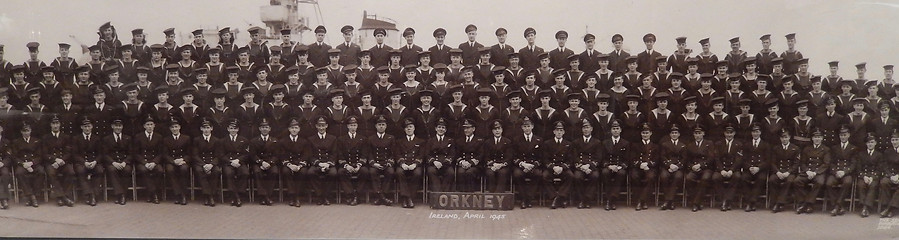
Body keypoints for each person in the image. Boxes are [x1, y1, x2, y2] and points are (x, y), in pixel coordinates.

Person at [42, 116, 75, 207]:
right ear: (50, 125)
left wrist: (62, 160)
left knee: (70, 172)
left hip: (63, 162)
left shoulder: (66, 137)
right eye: (53, 124)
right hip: (51, 162)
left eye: (57, 123)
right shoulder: (45, 137)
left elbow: (69, 152)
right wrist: (55, 160)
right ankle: (63, 198)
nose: (55, 126)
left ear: (60, 124)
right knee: (51, 173)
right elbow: (44, 154)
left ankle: (62, 196)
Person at [336, 116, 368, 206]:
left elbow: (364, 154)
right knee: (341, 172)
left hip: (358, 164)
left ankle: (357, 195)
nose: (353, 127)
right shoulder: (341, 139)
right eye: (351, 125)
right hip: (347, 164)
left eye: (354, 125)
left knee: (365, 171)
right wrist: (346, 165)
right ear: (347, 126)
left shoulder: (363, 139)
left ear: (357, 126)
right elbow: (340, 155)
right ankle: (350, 195)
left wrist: (359, 165)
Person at [133, 116, 164, 204]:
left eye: (151, 124)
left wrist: (154, 162)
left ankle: (150, 193)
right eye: (148, 125)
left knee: (160, 170)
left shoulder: (159, 137)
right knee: (143, 170)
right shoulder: (138, 136)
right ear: (144, 126)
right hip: (143, 162)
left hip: (154, 161)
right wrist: (144, 163)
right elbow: (136, 153)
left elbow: (161, 153)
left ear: (154, 125)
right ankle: (154, 194)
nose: (150, 126)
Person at [308, 116, 338, 205]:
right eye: (319, 126)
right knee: (310, 173)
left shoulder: (333, 138)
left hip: (329, 164)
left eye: (323, 125)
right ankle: (319, 195)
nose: (321, 128)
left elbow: (334, 153)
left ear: (327, 126)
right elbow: (310, 155)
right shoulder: (311, 139)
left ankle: (326, 196)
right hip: (317, 163)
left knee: (333, 173)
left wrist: (328, 164)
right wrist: (319, 164)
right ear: (316, 126)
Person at [769, 129, 801, 213]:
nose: (784, 139)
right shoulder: (776, 148)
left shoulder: (795, 148)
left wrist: (788, 172)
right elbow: (772, 162)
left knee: (789, 181)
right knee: (772, 179)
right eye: (782, 137)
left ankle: (779, 203)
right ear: (780, 138)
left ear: (789, 137)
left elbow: (796, 164)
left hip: (789, 172)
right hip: (779, 171)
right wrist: (777, 172)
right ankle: (775, 202)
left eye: (786, 137)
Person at [712, 125, 743, 211]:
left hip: (733, 169)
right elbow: (716, 158)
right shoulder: (718, 144)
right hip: (721, 168)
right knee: (715, 177)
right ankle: (725, 200)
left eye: (731, 133)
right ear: (724, 133)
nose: (729, 135)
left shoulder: (739, 144)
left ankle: (726, 201)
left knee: (737, 177)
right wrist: (721, 170)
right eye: (727, 133)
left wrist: (731, 170)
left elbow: (738, 160)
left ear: (734, 133)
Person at [544, 121, 573, 209]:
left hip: (563, 167)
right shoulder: (547, 143)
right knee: (544, 176)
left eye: (561, 130)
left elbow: (570, 159)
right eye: (557, 130)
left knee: (570, 176)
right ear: (554, 132)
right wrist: (553, 167)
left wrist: (562, 167)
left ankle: (559, 197)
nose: (559, 132)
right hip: (552, 168)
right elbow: (545, 159)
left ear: (564, 132)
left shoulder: (568, 144)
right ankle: (555, 197)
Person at [72, 118, 102, 206]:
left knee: (99, 170)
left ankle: (93, 195)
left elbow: (100, 154)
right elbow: (75, 154)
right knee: (81, 171)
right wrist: (84, 162)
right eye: (85, 126)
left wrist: (95, 161)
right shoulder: (76, 138)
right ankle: (89, 195)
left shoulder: (97, 138)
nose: (87, 129)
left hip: (94, 162)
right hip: (82, 162)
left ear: (92, 127)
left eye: (89, 126)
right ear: (81, 127)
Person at [191, 119, 221, 207]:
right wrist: (204, 165)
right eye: (204, 128)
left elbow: (218, 155)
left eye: (208, 128)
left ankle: (210, 195)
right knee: (200, 171)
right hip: (201, 163)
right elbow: (195, 155)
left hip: (212, 163)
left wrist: (211, 164)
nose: (206, 130)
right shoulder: (197, 140)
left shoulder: (216, 140)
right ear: (201, 129)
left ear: (211, 128)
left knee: (216, 171)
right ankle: (208, 195)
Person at [368, 115, 396, 206]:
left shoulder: (391, 138)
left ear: (386, 126)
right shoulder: (371, 138)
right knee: (372, 172)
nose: (381, 126)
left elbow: (393, 153)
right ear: (376, 126)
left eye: (383, 124)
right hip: (375, 163)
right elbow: (369, 153)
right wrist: (373, 163)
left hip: (386, 163)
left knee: (390, 172)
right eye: (379, 124)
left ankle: (382, 195)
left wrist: (389, 162)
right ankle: (381, 196)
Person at [103, 119, 132, 205]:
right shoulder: (107, 139)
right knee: (112, 170)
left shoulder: (127, 138)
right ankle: (120, 194)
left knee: (127, 170)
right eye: (116, 126)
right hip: (113, 162)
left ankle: (122, 195)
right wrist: (113, 162)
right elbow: (105, 154)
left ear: (122, 127)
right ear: (112, 126)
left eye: (119, 126)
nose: (118, 128)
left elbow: (131, 154)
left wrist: (125, 162)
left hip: (124, 162)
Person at [686, 125, 715, 212]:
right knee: (688, 178)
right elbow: (687, 159)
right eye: (696, 133)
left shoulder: (709, 143)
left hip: (706, 168)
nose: (698, 135)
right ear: (693, 134)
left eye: (699, 133)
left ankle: (695, 203)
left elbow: (711, 158)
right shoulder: (690, 144)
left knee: (705, 178)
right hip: (694, 168)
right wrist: (692, 166)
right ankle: (698, 201)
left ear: (703, 133)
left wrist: (701, 165)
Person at [221, 119, 250, 207]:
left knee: (245, 173)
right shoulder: (223, 140)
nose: (233, 130)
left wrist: (238, 160)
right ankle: (236, 197)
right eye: (231, 128)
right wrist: (230, 161)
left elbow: (246, 154)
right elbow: (221, 155)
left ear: (238, 129)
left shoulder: (243, 140)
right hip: (228, 163)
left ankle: (238, 194)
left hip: (239, 162)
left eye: (235, 128)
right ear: (228, 129)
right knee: (229, 173)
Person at [741, 124, 770, 212]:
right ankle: (751, 202)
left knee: (761, 179)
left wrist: (759, 168)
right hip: (749, 169)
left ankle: (751, 202)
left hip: (760, 170)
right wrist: (749, 167)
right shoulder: (746, 144)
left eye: (757, 132)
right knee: (743, 178)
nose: (755, 134)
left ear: (760, 132)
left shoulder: (766, 145)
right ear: (751, 133)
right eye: (753, 132)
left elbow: (768, 160)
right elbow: (743, 159)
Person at [162, 118, 190, 205]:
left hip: (182, 161)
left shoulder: (186, 138)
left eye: (176, 127)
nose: (174, 129)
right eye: (172, 127)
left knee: (184, 169)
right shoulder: (166, 139)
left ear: (179, 127)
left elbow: (189, 153)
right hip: (172, 161)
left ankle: (183, 195)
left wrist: (183, 160)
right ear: (170, 129)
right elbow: (165, 154)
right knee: (170, 170)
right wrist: (173, 161)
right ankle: (177, 194)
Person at [659, 124, 686, 210]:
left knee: (678, 176)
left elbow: (684, 159)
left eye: (676, 133)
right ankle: (671, 201)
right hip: (667, 167)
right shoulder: (665, 144)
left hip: (678, 168)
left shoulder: (683, 145)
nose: (674, 134)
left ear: (679, 134)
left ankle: (668, 200)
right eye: (672, 133)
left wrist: (677, 166)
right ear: (670, 134)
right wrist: (669, 165)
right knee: (664, 176)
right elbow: (662, 157)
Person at [424, 118, 455, 192]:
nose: (441, 129)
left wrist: (444, 163)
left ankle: (445, 194)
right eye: (439, 127)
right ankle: (437, 194)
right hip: (434, 164)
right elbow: (427, 154)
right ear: (435, 129)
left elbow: (452, 154)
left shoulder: (450, 140)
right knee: (431, 171)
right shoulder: (430, 140)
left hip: (446, 164)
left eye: (443, 127)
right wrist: (434, 162)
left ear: (446, 130)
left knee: (451, 172)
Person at [483, 120, 512, 193]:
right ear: (492, 131)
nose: (497, 131)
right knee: (490, 173)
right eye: (495, 129)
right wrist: (493, 164)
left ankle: (499, 195)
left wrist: (501, 164)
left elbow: (509, 157)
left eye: (499, 129)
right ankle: (491, 194)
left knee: (502, 173)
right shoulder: (487, 142)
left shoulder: (507, 142)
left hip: (503, 165)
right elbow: (486, 156)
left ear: (502, 130)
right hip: (492, 165)